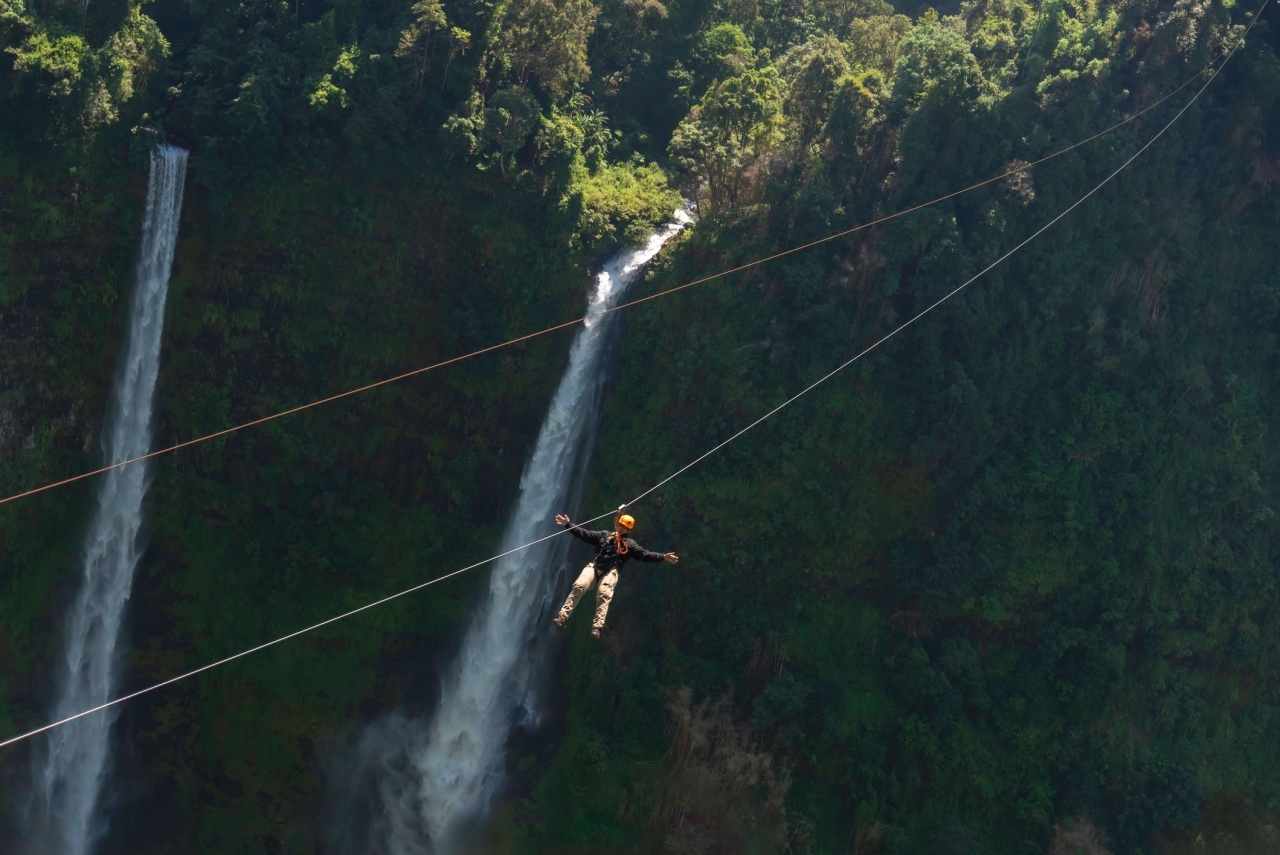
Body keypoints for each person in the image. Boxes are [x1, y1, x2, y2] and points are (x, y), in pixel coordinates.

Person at [552, 512, 678, 638]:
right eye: (619, 525)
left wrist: (663, 557)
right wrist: (568, 525)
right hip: (595, 567)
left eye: (623, 527)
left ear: (628, 530)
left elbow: (645, 555)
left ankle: (597, 627)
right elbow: (584, 534)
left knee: (604, 593)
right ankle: (563, 617)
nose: (620, 528)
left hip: (611, 572)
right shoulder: (604, 535)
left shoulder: (630, 545)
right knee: (579, 585)